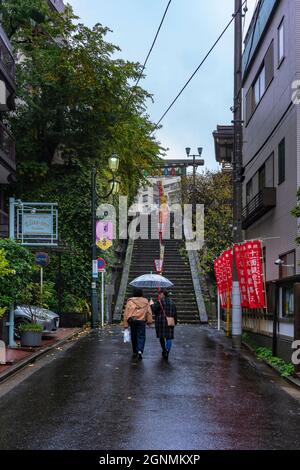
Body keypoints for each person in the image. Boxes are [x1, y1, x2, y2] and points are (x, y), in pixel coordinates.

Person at [123, 288, 153, 360]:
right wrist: (149, 321)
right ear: (141, 293)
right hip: (141, 321)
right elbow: (149, 312)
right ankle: (140, 350)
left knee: (134, 335)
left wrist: (125, 325)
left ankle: (135, 351)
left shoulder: (130, 301)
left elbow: (126, 313)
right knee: (141, 335)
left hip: (132, 320)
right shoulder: (145, 301)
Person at [151, 290, 177, 360]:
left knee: (162, 337)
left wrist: (151, 304)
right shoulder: (172, 303)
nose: (159, 295)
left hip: (161, 322)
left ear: (163, 294)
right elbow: (175, 313)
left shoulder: (160, 302)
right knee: (169, 338)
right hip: (170, 322)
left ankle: (164, 350)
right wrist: (175, 321)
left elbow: (155, 310)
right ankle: (167, 351)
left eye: (160, 294)